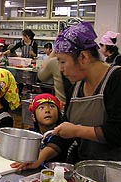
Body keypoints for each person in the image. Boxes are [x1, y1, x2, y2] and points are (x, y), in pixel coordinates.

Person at [14, 22, 121, 169]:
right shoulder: (75, 88)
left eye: (62, 61)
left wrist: (77, 130)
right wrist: (39, 156)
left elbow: (117, 132)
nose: (60, 69)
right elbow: (65, 135)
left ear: (83, 57)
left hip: (114, 175)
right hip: (84, 170)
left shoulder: (116, 80)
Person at [10, 93, 69, 170]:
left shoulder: (62, 133)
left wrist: (36, 158)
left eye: (52, 106)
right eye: (41, 107)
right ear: (33, 117)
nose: (47, 110)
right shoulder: (32, 133)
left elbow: (54, 146)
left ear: (59, 113)